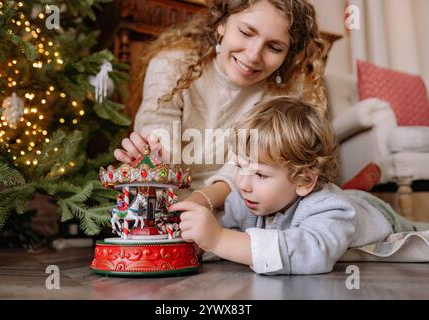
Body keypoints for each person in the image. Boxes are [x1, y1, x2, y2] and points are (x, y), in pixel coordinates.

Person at [169, 97, 429, 275]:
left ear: (303, 181)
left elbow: (311, 254)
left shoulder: (330, 210)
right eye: (239, 166)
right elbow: (235, 232)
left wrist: (220, 239)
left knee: (419, 232)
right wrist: (204, 242)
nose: (242, 183)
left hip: (372, 211)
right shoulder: (244, 196)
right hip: (343, 197)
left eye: (259, 174)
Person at [114, 0, 328, 211]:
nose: (253, 56)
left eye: (274, 47)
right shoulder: (170, 65)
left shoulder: (288, 90)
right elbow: (157, 130)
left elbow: (251, 168)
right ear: (222, 23)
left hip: (244, 205)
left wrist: (201, 201)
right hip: (171, 198)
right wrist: (153, 158)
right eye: (246, 33)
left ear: (287, 54)